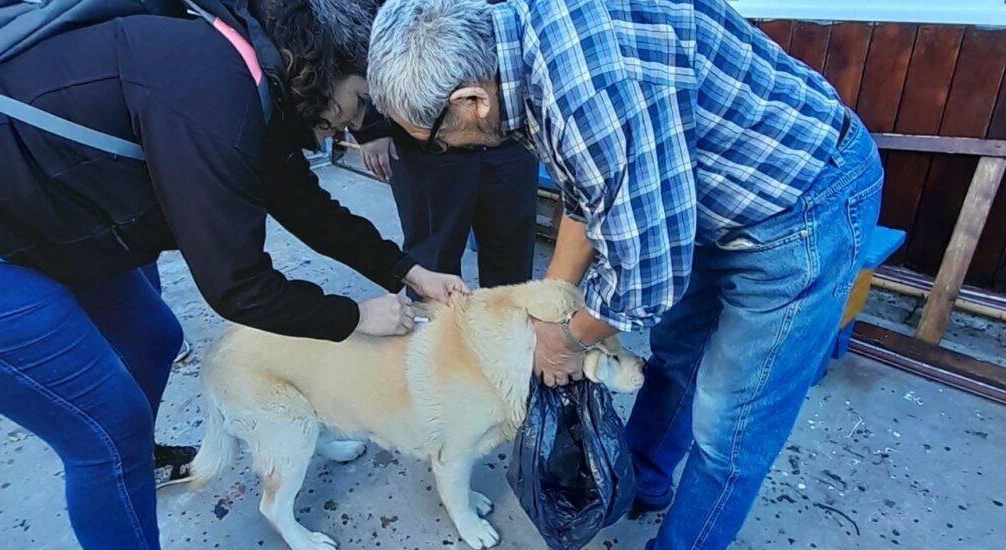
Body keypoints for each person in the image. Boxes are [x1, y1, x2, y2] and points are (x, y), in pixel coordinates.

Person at [0, 1, 466, 548]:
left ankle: (129, 468)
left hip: (31, 198)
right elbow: (238, 287)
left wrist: (406, 269)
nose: (357, 124)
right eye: (360, 101)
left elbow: (302, 201)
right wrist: (354, 315)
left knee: (153, 338)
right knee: (106, 436)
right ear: (329, 63)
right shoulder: (213, 92)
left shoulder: (258, 67)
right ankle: (119, 467)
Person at [366, 0, 883, 548]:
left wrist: (565, 341)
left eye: (434, 138)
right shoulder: (515, 52)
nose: (441, 149)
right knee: (676, 357)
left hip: (800, 204)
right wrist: (551, 307)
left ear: (472, 100)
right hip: (708, 195)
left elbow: (650, 278)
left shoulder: (587, 92)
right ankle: (640, 482)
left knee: (730, 430)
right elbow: (588, 194)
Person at [354, 104, 539, 295]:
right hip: (425, 137)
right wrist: (371, 124)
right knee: (431, 260)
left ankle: (506, 323)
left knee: (511, 259)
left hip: (506, 132)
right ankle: (431, 323)